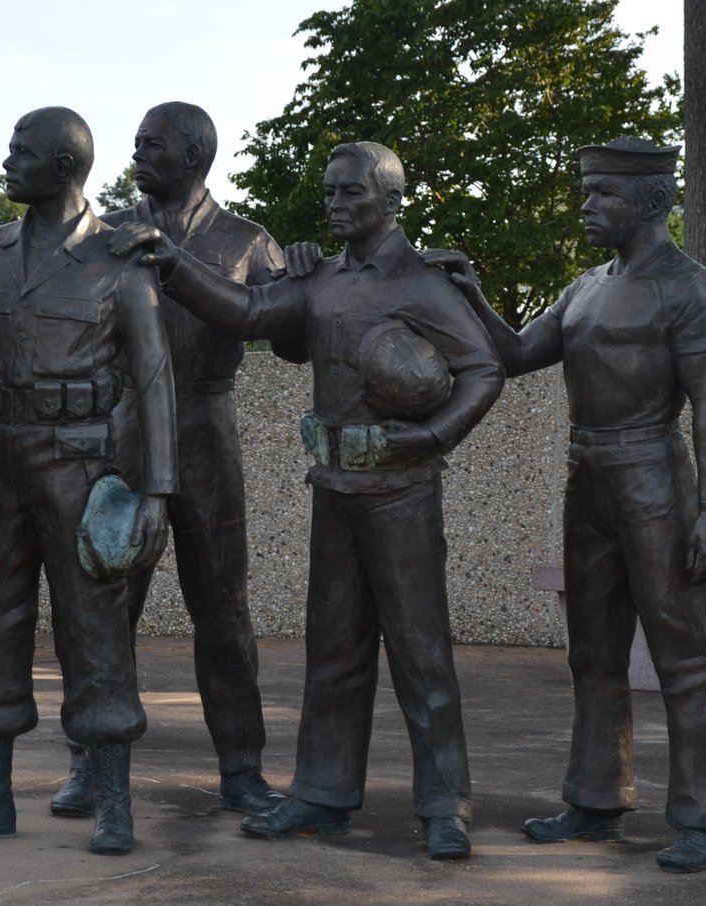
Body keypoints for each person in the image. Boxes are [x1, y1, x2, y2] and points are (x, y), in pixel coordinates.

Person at [109, 141, 504, 860]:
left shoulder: (422, 283)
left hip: (400, 493)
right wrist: (172, 263)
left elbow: (484, 369)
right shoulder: (321, 279)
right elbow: (249, 311)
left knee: (421, 655)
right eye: (329, 191)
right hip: (335, 488)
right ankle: (322, 793)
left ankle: (445, 804)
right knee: (334, 652)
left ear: (392, 200)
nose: (334, 202)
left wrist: (435, 436)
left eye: (351, 192)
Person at [444, 136, 706, 873]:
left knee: (680, 656)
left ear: (648, 200)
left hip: (652, 476)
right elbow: (514, 356)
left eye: (600, 191)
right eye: (587, 189)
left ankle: (702, 817)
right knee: (593, 653)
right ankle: (597, 800)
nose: (585, 204)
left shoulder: (688, 286)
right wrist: (470, 291)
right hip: (588, 473)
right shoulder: (583, 287)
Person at [0, 106, 178, 856]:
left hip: (79, 467)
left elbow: (154, 379)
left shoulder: (118, 258)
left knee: (93, 632)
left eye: (19, 153)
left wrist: (156, 491)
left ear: (62, 168)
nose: (5, 163)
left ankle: (113, 800)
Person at [48, 101, 297, 821]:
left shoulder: (249, 241)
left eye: (151, 145)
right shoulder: (106, 232)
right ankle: (91, 762)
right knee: (104, 609)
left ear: (193, 154)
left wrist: (300, 275)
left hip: (206, 431)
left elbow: (293, 341)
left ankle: (243, 770)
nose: (136, 154)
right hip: (121, 430)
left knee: (223, 609)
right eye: (135, 143)